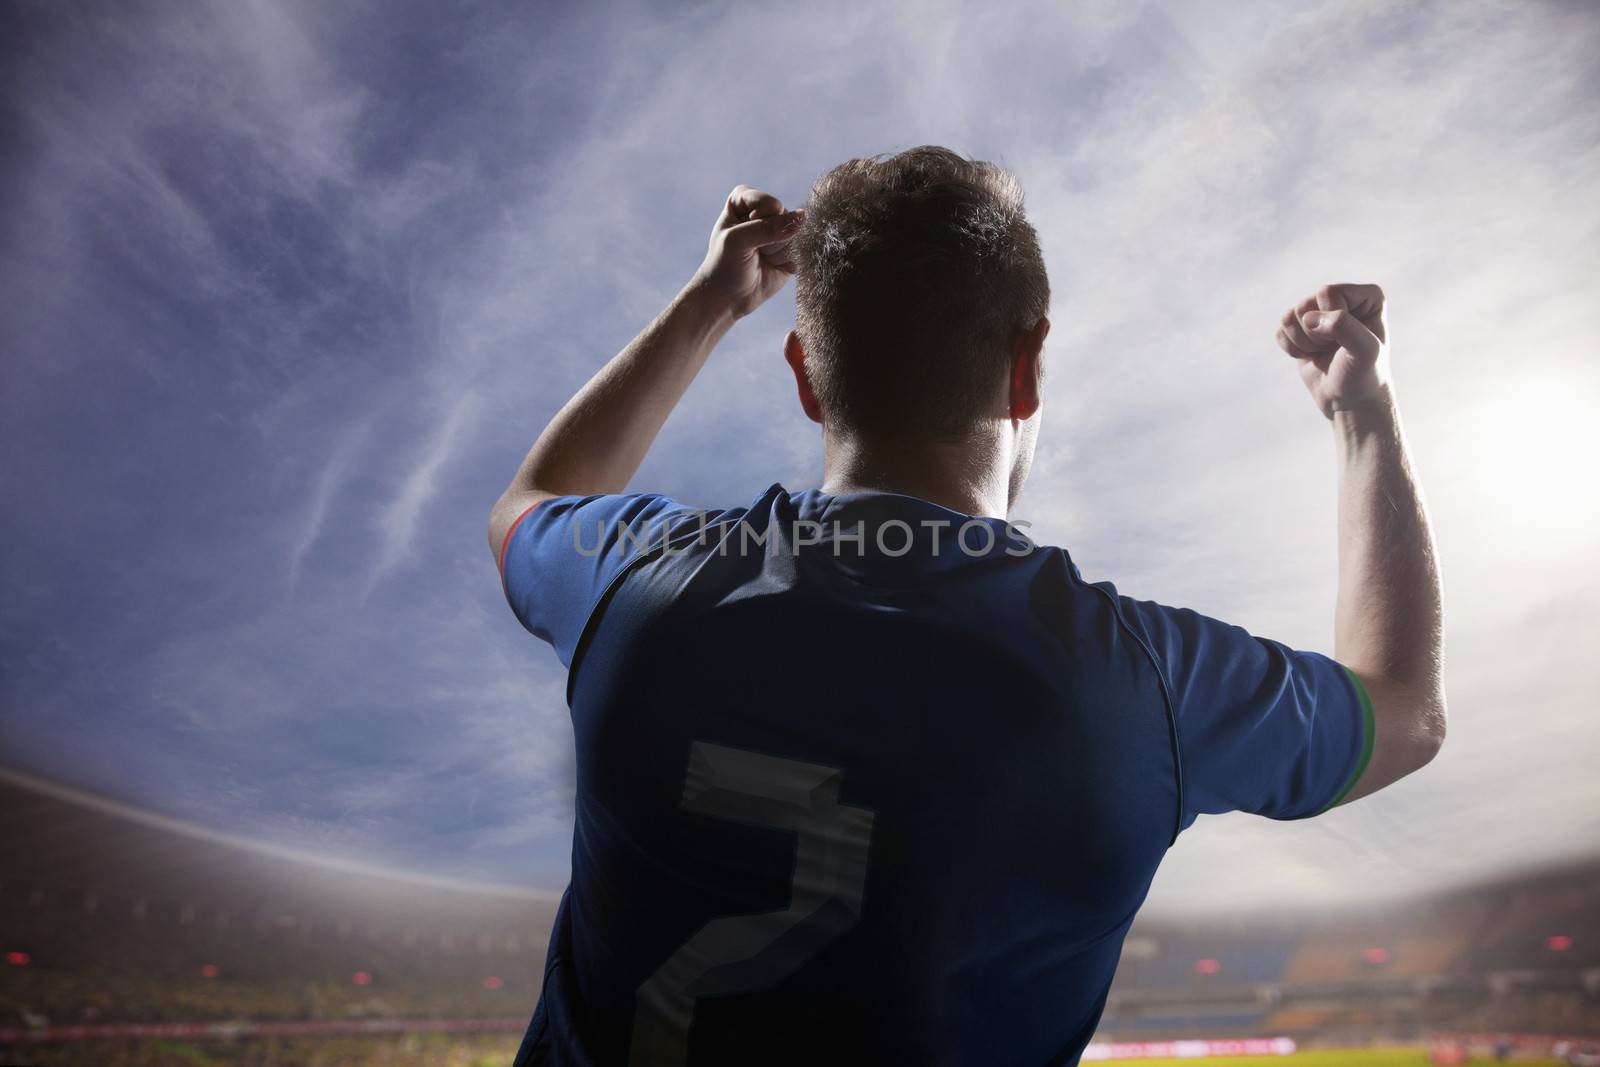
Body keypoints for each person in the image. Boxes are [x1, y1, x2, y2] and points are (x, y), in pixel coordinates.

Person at [488, 146, 1448, 1067]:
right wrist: (1363, 411)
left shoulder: (636, 577)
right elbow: (1402, 711)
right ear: (1027, 367)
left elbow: (528, 507)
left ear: (805, 378)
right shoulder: (1145, 682)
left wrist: (710, 302)